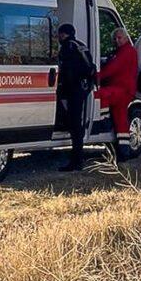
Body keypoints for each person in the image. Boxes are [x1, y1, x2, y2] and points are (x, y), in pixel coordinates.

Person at [57, 23, 96, 171]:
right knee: (76, 123)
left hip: (74, 89)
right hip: (83, 87)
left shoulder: (68, 47)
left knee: (74, 125)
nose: (58, 37)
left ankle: (76, 161)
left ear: (63, 34)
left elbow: (68, 71)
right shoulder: (81, 45)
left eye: (59, 34)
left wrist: (62, 91)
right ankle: (77, 158)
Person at [97, 28, 138, 160]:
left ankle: (104, 122)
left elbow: (113, 68)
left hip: (122, 89)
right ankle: (123, 151)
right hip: (124, 90)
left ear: (126, 38)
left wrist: (97, 76)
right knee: (121, 121)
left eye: (119, 38)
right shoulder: (123, 51)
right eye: (115, 38)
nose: (117, 40)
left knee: (99, 95)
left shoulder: (127, 51)